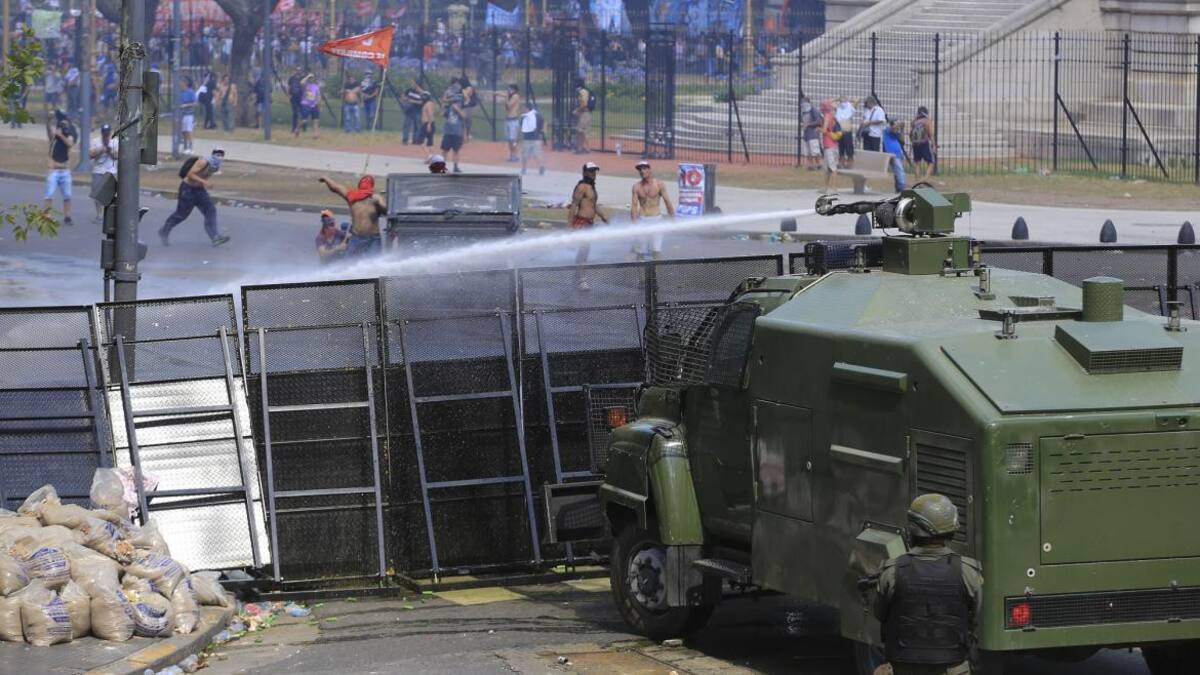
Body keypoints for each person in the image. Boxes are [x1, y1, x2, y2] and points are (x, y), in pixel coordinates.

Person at [873, 494, 982, 675]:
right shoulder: (968, 571)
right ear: (951, 531)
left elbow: (880, 613)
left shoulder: (892, 572)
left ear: (912, 530)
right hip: (952, 669)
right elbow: (974, 618)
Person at [159, 148, 231, 247]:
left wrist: (203, 183)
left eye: (221, 155)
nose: (219, 157)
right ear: (213, 154)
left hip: (199, 190)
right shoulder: (203, 162)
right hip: (187, 189)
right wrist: (204, 182)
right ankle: (164, 231)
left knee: (210, 210)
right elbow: (190, 174)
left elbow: (205, 175)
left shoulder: (216, 166)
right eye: (217, 154)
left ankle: (215, 237)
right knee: (181, 215)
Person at [318, 174, 386, 257]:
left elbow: (385, 211)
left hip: (373, 238)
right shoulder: (352, 196)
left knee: (375, 262)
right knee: (348, 261)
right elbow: (336, 188)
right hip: (356, 237)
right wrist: (326, 178)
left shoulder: (375, 197)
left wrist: (378, 204)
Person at [567, 162, 608, 289]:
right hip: (581, 222)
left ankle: (577, 277)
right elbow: (573, 206)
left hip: (589, 223)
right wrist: (570, 227)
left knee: (583, 252)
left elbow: (593, 205)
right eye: (591, 171)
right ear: (585, 172)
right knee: (584, 250)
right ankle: (582, 280)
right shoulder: (582, 187)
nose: (593, 174)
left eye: (595, 171)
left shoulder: (591, 188)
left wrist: (604, 217)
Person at [630, 160, 674, 260]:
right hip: (642, 219)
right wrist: (633, 223)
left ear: (649, 169)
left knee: (656, 251)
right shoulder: (636, 187)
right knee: (640, 252)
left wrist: (672, 219)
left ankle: (655, 275)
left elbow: (667, 202)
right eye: (640, 169)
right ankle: (641, 274)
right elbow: (634, 206)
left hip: (656, 220)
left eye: (644, 168)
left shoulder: (659, 184)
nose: (642, 171)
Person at [45, 109, 77, 225]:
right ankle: (47, 215)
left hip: (65, 170)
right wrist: (48, 121)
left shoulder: (70, 131)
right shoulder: (55, 131)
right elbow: (50, 134)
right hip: (53, 170)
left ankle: (67, 216)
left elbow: (70, 143)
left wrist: (62, 134)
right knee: (49, 194)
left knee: (67, 195)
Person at [88, 123, 118, 222]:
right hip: (98, 170)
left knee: (110, 195)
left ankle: (108, 215)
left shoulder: (115, 141)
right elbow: (91, 155)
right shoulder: (95, 141)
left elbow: (117, 156)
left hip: (110, 170)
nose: (106, 135)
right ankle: (99, 214)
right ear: (102, 132)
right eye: (104, 133)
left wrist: (109, 150)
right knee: (97, 194)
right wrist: (101, 149)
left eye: (107, 133)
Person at [441, 89, 466, 173]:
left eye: (458, 102)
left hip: (457, 133)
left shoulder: (461, 109)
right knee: (445, 150)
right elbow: (442, 114)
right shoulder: (449, 109)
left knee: (456, 150)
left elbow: (464, 116)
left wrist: (457, 109)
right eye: (455, 102)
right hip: (448, 132)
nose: (457, 103)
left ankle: (456, 166)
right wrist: (444, 105)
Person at [819, 99, 841, 194]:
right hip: (832, 145)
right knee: (827, 168)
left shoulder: (827, 116)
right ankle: (825, 187)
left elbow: (824, 130)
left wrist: (818, 129)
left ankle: (834, 188)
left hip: (830, 145)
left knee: (832, 168)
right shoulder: (832, 116)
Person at [518, 100, 545, 176]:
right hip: (526, 138)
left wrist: (538, 130)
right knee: (524, 155)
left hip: (535, 138)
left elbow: (541, 123)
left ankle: (541, 167)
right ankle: (524, 168)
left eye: (524, 108)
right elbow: (521, 126)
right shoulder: (523, 117)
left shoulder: (537, 115)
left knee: (537, 154)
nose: (523, 109)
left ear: (527, 108)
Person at [911, 106, 937, 182]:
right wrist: (934, 145)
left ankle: (917, 180)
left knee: (917, 163)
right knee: (931, 162)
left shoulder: (914, 122)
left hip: (915, 144)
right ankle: (924, 179)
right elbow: (931, 134)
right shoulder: (927, 121)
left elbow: (911, 130)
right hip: (924, 143)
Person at [882, 119, 907, 193]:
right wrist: (898, 125)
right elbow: (892, 129)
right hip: (892, 153)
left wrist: (902, 129)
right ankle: (902, 188)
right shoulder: (887, 130)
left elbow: (902, 141)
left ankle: (898, 188)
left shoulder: (897, 132)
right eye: (895, 124)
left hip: (898, 153)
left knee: (897, 171)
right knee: (899, 170)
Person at [800, 96, 822, 171]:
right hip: (806, 134)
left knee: (815, 151)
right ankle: (810, 165)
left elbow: (818, 121)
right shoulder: (803, 111)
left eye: (804, 102)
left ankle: (819, 164)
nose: (803, 103)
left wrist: (809, 124)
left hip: (813, 134)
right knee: (807, 152)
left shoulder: (813, 110)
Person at [501, 84, 522, 162]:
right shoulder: (510, 96)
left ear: (514, 90)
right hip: (508, 120)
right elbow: (506, 108)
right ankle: (512, 155)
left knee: (513, 140)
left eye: (510, 89)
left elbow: (509, 105)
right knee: (509, 140)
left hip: (513, 120)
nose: (508, 91)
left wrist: (506, 96)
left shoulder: (515, 96)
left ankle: (515, 155)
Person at [835, 97, 856, 168]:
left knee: (848, 145)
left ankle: (850, 162)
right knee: (841, 146)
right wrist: (837, 99)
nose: (842, 103)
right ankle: (841, 162)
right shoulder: (838, 107)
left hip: (846, 127)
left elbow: (857, 100)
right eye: (841, 101)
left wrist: (847, 100)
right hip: (839, 127)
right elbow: (830, 103)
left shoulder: (850, 106)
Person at [298, 74, 320, 138]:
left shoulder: (316, 86)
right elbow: (301, 82)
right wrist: (307, 76)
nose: (311, 79)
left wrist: (318, 103)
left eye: (312, 78)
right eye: (310, 78)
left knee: (315, 120)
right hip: (306, 104)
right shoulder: (305, 85)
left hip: (314, 104)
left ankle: (315, 134)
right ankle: (298, 129)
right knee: (304, 120)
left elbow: (318, 95)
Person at [572, 80, 592, 153]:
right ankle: (581, 148)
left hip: (584, 114)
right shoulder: (583, 92)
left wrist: (577, 110)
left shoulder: (582, 92)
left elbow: (584, 104)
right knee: (581, 131)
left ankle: (586, 148)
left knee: (582, 131)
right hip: (584, 114)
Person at [179, 77, 197, 153]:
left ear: (185, 83)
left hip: (188, 115)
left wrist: (186, 105)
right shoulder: (181, 92)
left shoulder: (191, 92)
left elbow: (195, 103)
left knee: (188, 131)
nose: (180, 83)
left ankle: (191, 147)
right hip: (181, 114)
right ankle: (185, 147)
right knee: (183, 131)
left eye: (182, 82)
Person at [287, 66, 304, 135]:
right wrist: (289, 95)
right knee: (295, 113)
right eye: (297, 70)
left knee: (302, 113)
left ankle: (302, 127)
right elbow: (289, 87)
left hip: (301, 98)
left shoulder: (302, 79)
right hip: (293, 98)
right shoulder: (291, 79)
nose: (298, 72)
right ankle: (294, 128)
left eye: (299, 70)